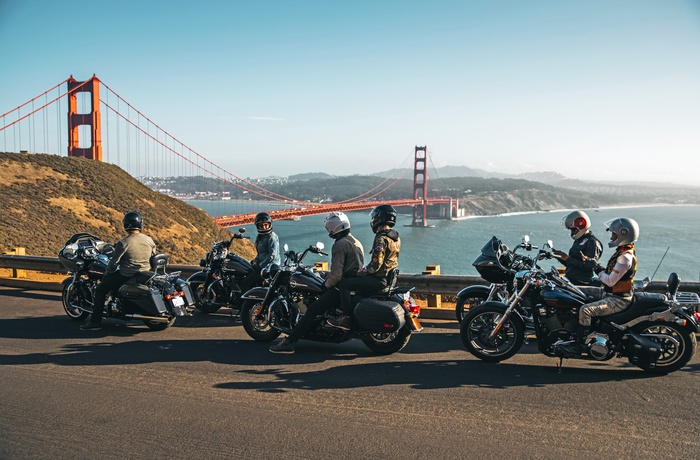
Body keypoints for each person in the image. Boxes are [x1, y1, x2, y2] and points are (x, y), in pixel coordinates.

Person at [269, 212, 364, 354]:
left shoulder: (339, 244)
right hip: (353, 283)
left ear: (333, 228)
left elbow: (337, 275)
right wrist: (329, 274)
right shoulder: (354, 241)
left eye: (328, 228)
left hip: (343, 285)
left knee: (313, 309)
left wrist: (326, 284)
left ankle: (290, 342)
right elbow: (347, 268)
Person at [557, 217, 639, 356]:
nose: (612, 237)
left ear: (623, 234)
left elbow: (610, 281)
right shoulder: (622, 252)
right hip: (609, 294)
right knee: (572, 292)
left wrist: (595, 266)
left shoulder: (625, 257)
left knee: (586, 310)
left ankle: (579, 345)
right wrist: (593, 263)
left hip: (618, 300)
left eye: (614, 234)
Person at [327, 204, 401, 331]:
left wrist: (362, 272)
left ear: (379, 218)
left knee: (344, 284)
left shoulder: (381, 238)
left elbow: (375, 265)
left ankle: (346, 318)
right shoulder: (395, 237)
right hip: (389, 278)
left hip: (378, 280)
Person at [80, 211, 156, 330]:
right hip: (144, 272)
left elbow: (113, 263)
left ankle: (95, 323)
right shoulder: (149, 240)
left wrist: (106, 274)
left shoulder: (124, 243)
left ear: (126, 225)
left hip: (127, 274)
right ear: (140, 224)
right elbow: (153, 255)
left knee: (100, 289)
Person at [551, 210, 603, 286]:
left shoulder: (593, 242)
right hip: (570, 279)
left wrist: (567, 258)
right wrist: (559, 257)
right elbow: (573, 265)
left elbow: (589, 266)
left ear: (582, 225)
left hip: (581, 282)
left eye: (573, 229)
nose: (572, 233)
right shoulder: (579, 240)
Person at [239, 212, 281, 294]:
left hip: (269, 268)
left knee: (245, 283)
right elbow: (260, 254)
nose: (264, 227)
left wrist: (260, 265)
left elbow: (272, 256)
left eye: (266, 225)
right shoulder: (261, 236)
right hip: (262, 265)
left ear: (270, 224)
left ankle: (244, 303)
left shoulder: (271, 237)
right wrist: (255, 261)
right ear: (258, 226)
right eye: (261, 225)